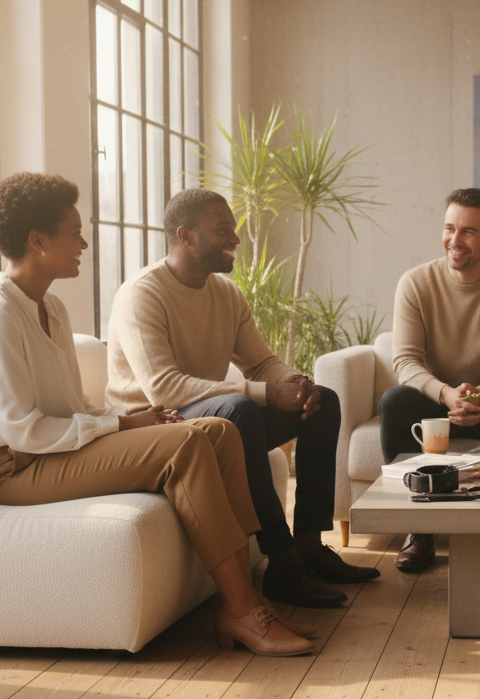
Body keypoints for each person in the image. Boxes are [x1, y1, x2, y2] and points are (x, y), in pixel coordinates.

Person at [0, 172, 313, 657]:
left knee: (218, 431)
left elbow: (69, 407)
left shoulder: (49, 308)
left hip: (55, 451)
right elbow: (25, 430)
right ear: (37, 241)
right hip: (15, 468)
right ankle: (244, 612)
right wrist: (119, 424)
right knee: (188, 442)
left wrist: (132, 417)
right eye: (73, 232)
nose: (83, 242)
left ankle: (252, 596)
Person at [105, 188, 376, 610]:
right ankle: (282, 563)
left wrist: (294, 382)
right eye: (223, 230)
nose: (234, 239)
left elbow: (260, 361)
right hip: (153, 428)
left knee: (323, 401)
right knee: (240, 409)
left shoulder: (225, 294)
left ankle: (308, 545)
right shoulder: (143, 294)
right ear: (186, 236)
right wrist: (268, 392)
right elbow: (165, 388)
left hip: (208, 420)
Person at [379, 188, 480, 573]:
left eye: (468, 232)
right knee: (396, 401)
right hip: (436, 401)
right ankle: (421, 528)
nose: (455, 240)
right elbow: (405, 361)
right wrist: (447, 393)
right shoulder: (415, 283)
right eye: (450, 228)